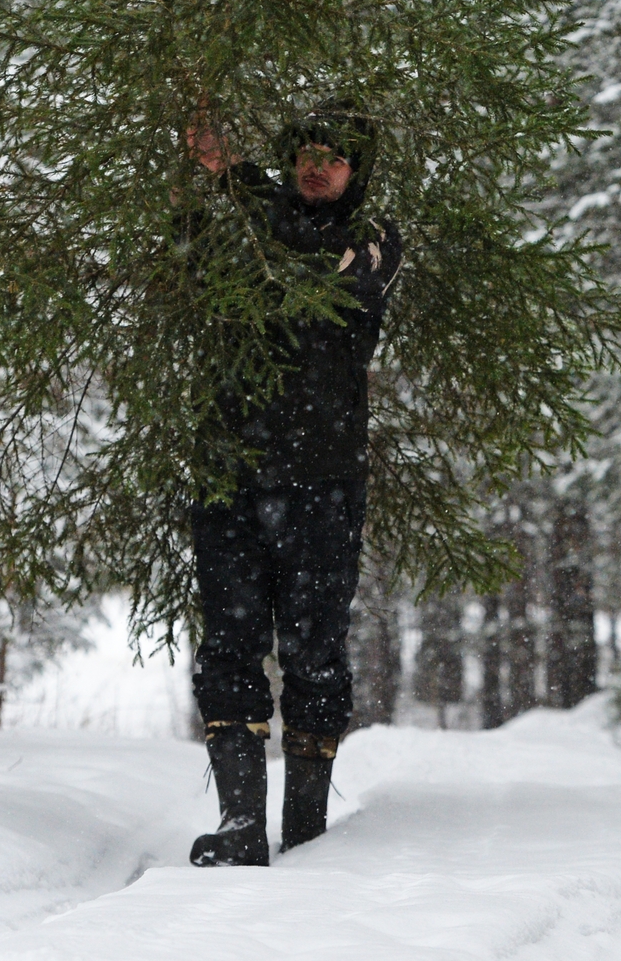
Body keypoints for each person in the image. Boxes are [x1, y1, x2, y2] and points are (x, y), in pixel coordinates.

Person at [181, 107, 402, 867]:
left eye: (334, 160)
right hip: (230, 475)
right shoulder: (243, 224)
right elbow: (193, 256)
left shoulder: (372, 242)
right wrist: (216, 176)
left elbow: (301, 261)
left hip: (322, 483)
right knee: (229, 649)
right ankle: (243, 824)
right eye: (306, 155)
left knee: (313, 650)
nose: (318, 167)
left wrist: (233, 176)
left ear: (355, 174)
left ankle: (305, 827)